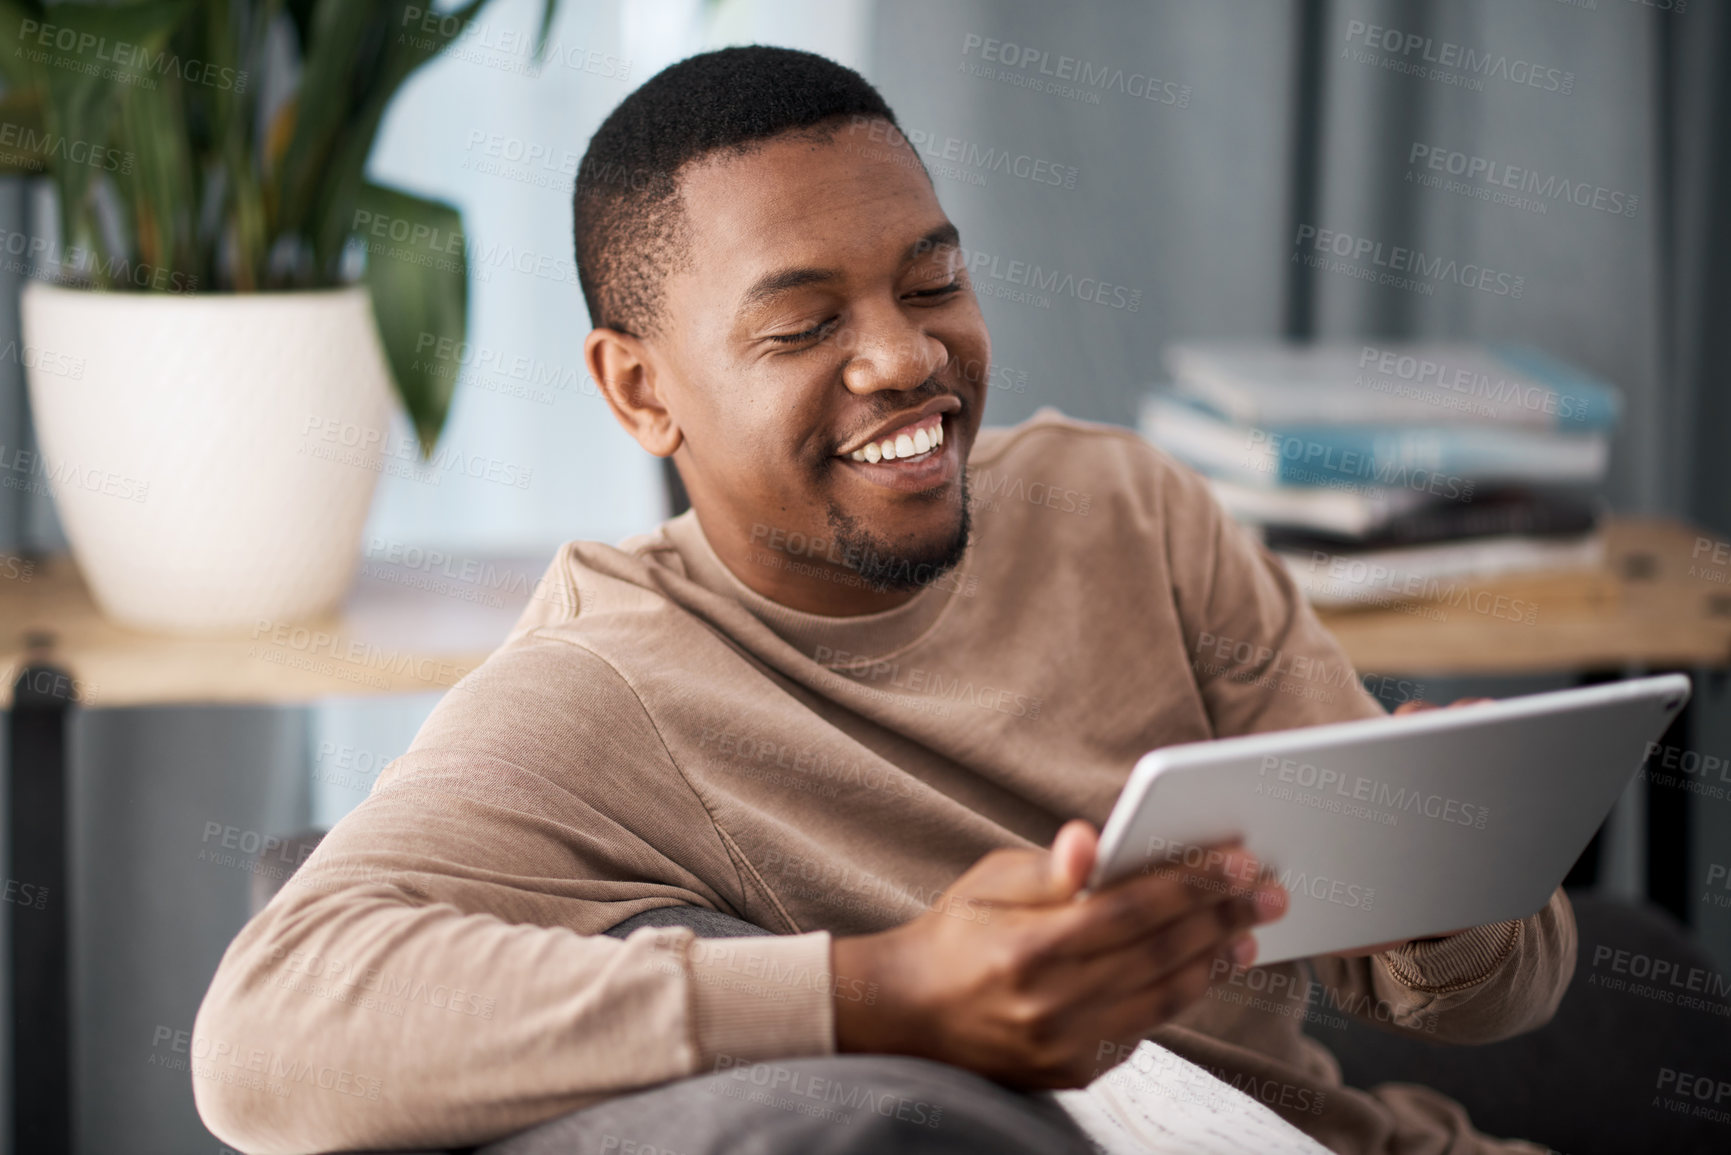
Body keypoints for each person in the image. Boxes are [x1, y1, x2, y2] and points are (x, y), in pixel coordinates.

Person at [192, 46, 1573, 1155]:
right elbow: (260, 1042)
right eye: (803, 328)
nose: (909, 358)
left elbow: (1488, 999)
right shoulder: (608, 687)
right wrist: (885, 991)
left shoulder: (1127, 509)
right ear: (639, 389)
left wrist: (1448, 885)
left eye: (936, 282)